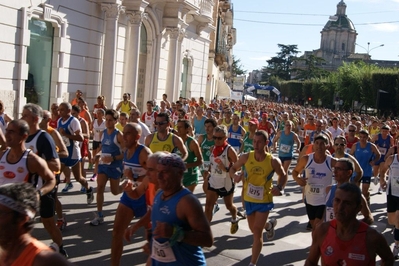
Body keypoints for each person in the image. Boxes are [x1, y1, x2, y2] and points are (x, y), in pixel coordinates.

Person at [229, 130, 287, 266]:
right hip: (249, 199)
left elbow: (283, 175)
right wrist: (235, 176)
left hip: (264, 201)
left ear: (266, 143)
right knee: (253, 228)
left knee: (256, 232)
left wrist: (279, 188)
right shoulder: (246, 157)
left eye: (259, 142)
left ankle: (252, 263)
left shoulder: (273, 161)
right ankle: (270, 225)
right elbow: (232, 168)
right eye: (254, 141)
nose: (256, 144)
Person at [305, 183, 394, 266]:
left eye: (347, 203)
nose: (340, 207)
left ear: (358, 208)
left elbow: (388, 258)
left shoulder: (372, 237)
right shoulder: (322, 230)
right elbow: (311, 261)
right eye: (337, 200)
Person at [21, 104, 68, 256]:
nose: (22, 118)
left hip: (44, 186)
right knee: (20, 222)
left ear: (35, 119)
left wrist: (34, 163)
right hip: (26, 189)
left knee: (48, 222)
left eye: (25, 116)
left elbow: (55, 164)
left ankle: (60, 248)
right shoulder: (22, 136)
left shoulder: (44, 138)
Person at [150, 153, 213, 265]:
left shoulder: (187, 202)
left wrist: (175, 233)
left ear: (179, 174)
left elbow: (207, 239)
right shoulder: (159, 194)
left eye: (164, 172)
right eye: (157, 171)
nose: (159, 176)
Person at [0, 183, 73, 265]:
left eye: (1, 213)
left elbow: (51, 179)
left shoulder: (43, 259)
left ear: (22, 219)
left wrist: (40, 193)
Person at [110, 123, 152, 266]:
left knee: (153, 239)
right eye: (123, 132)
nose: (124, 136)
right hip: (129, 197)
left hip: (145, 199)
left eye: (128, 133)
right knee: (116, 233)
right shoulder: (126, 151)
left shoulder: (144, 153)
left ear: (137, 137)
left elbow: (153, 177)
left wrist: (134, 179)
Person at [292, 134, 338, 230]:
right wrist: (298, 179)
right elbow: (295, 172)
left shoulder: (332, 161)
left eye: (322, 144)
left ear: (327, 146)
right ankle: (318, 244)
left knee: (318, 225)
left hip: (324, 200)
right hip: (310, 198)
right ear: (313, 145)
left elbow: (345, 171)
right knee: (314, 226)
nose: (319, 146)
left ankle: (318, 245)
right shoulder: (306, 159)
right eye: (317, 143)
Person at [90, 109, 125, 226]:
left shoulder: (119, 135)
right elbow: (102, 149)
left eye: (111, 120)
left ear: (116, 121)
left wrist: (113, 158)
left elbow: (126, 153)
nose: (108, 122)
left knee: (115, 192)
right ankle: (99, 215)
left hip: (115, 166)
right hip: (103, 165)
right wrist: (96, 155)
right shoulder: (102, 133)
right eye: (107, 120)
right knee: (100, 188)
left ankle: (126, 186)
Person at [204, 125, 239, 233]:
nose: (216, 140)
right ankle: (205, 232)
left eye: (219, 138)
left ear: (225, 138)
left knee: (229, 206)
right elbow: (212, 163)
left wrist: (226, 168)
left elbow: (238, 165)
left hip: (226, 182)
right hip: (213, 181)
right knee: (208, 207)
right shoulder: (213, 148)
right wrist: (208, 173)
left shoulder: (229, 150)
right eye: (214, 137)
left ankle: (234, 218)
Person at [57, 102, 94, 203]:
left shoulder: (74, 121)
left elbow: (81, 138)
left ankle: (88, 189)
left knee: (79, 178)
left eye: (62, 110)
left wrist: (66, 134)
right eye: (59, 110)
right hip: (64, 152)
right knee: (56, 176)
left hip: (73, 153)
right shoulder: (59, 120)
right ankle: (53, 199)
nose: (59, 112)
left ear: (69, 111)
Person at [39, 110, 69, 231]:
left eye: (43, 117)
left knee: (53, 198)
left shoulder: (53, 133)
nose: (40, 119)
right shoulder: (34, 133)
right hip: (37, 171)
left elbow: (65, 152)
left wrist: (50, 155)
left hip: (51, 172)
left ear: (48, 120)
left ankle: (60, 219)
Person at [325, 158, 373, 224]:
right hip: (330, 232)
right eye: (334, 168)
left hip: (346, 233)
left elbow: (369, 218)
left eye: (339, 169)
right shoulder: (329, 189)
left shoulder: (356, 194)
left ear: (349, 172)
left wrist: (353, 226)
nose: (335, 172)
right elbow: (323, 215)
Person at [350, 129, 380, 205]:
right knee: (356, 190)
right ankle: (357, 205)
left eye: (364, 137)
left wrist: (374, 161)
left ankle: (366, 199)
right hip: (357, 171)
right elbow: (350, 156)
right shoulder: (355, 146)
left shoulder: (371, 146)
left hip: (367, 171)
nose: (362, 139)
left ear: (367, 137)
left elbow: (378, 154)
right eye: (361, 137)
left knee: (364, 191)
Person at [380, 151, 399, 259]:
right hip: (392, 193)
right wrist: (382, 180)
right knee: (392, 221)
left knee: (398, 220)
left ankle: (396, 245)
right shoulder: (392, 159)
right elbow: (383, 171)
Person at [176, 119, 203, 192]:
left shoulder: (192, 142)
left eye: (180, 127)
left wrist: (187, 165)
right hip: (178, 176)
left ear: (187, 129)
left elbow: (200, 161)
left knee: (186, 200)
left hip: (190, 176)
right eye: (177, 127)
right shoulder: (175, 140)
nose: (178, 129)